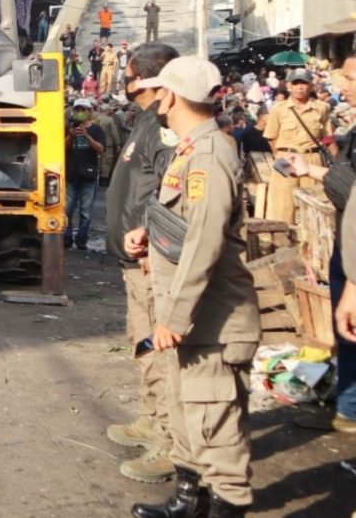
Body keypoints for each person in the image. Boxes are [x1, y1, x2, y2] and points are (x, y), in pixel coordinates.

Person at [125, 57, 259, 518]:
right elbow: (187, 225)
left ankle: (225, 507)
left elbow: (204, 242)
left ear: (169, 96)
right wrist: (151, 234)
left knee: (216, 429)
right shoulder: (191, 149)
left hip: (212, 320)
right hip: (193, 321)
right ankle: (189, 502)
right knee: (188, 419)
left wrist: (174, 317)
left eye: (157, 91)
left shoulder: (207, 155)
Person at [102, 42, 181, 484]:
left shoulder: (164, 126)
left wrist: (151, 234)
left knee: (159, 349)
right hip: (136, 263)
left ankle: (170, 442)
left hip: (152, 260)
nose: (125, 83)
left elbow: (168, 189)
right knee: (143, 343)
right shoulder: (146, 121)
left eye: (129, 76)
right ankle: (153, 418)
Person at [281, 56, 356, 434]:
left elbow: (350, 190)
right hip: (346, 244)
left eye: (350, 77)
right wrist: (310, 170)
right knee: (345, 332)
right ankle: (347, 408)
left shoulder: (327, 112)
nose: (343, 85)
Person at [262, 68, 331, 222]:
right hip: (286, 159)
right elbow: (271, 137)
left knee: (314, 202)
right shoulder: (278, 109)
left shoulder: (321, 108)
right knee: (282, 203)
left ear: (311, 86)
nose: (300, 87)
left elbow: (327, 137)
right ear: (289, 86)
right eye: (296, 83)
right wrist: (279, 157)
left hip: (311, 159)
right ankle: (281, 239)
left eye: (304, 83)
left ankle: (312, 242)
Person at [65, 97, 107, 251]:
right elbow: (61, 148)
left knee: (86, 211)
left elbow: (101, 149)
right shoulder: (67, 127)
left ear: (90, 112)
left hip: (88, 176)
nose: (80, 113)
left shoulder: (96, 130)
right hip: (70, 174)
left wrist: (87, 137)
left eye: (83, 110)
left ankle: (81, 239)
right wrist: (71, 136)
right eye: (77, 110)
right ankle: (67, 238)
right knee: (67, 209)